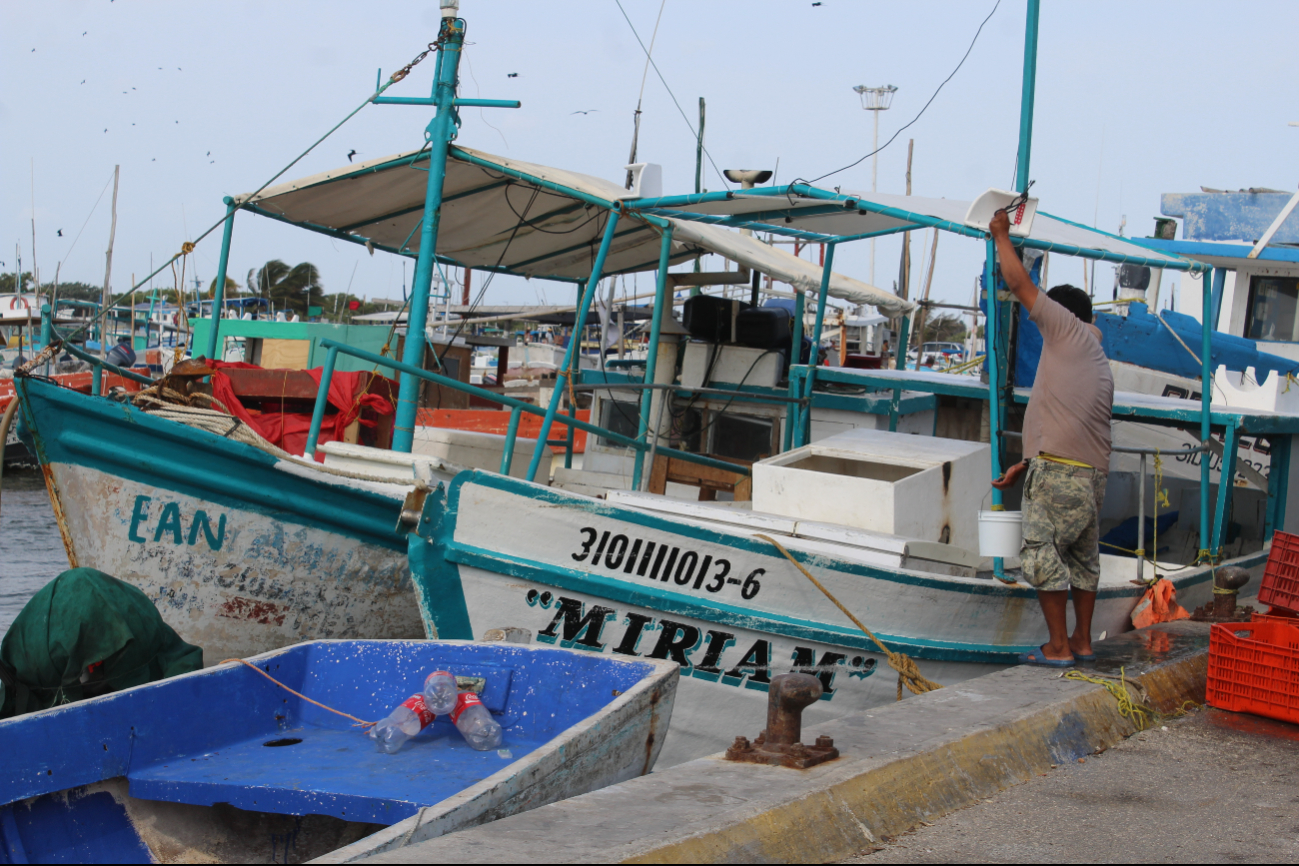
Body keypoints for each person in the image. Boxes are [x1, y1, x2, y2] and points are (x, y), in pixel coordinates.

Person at [988, 209, 1114, 667]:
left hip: (1062, 474)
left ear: (1063, 314)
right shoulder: (1093, 352)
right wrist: (1026, 464)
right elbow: (1068, 418)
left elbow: (1021, 285)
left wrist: (1002, 235)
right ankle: (1080, 641)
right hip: (1087, 474)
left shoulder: (1067, 331)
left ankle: (1058, 647)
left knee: (1041, 554)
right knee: (1081, 559)